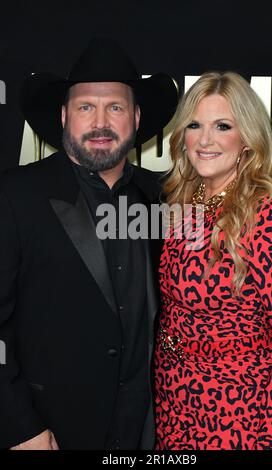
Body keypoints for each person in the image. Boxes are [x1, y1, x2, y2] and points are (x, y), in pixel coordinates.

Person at [0, 37, 178, 450]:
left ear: (135, 117)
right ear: (64, 115)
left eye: (115, 107)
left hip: (146, 432)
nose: (101, 121)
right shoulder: (16, 196)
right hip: (51, 431)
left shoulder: (161, 198)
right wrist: (19, 426)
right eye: (86, 107)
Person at [154, 71, 272, 450]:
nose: (205, 140)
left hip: (237, 414)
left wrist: (267, 439)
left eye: (222, 126)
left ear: (247, 140)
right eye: (194, 125)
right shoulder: (181, 207)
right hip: (172, 402)